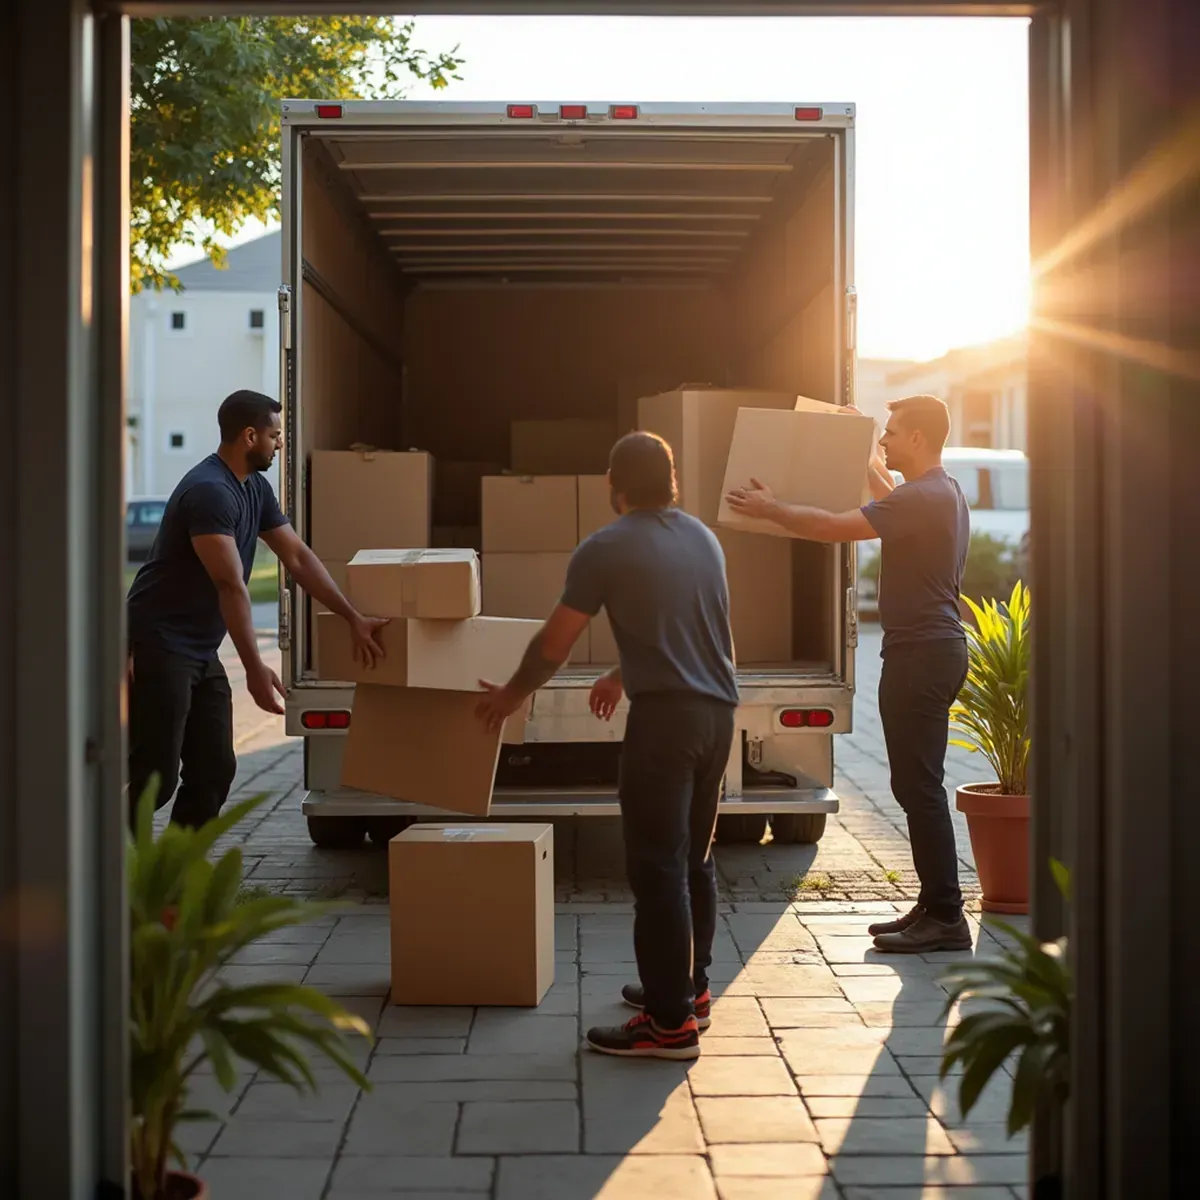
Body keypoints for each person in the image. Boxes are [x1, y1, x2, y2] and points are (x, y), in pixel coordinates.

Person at [476, 432, 738, 1059]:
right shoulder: (702, 538)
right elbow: (696, 627)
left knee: (658, 866)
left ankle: (669, 1025)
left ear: (612, 484)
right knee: (693, 857)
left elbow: (554, 644)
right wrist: (624, 671)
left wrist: (512, 693)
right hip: (718, 715)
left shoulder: (606, 547)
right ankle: (690, 990)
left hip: (666, 724)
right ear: (672, 481)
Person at [725, 394, 971, 953]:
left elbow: (833, 527)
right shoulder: (941, 491)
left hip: (921, 654)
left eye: (891, 433)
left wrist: (771, 508)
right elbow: (886, 497)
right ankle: (935, 903)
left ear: (917, 439)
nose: (884, 440)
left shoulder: (922, 497)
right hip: (933, 650)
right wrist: (860, 450)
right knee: (915, 785)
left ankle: (946, 916)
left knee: (919, 788)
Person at [126, 389, 388, 829]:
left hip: (197, 648)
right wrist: (253, 668)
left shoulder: (254, 488)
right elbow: (230, 585)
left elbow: (297, 557)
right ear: (250, 436)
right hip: (159, 641)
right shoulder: (209, 491)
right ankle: (92, 858)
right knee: (156, 776)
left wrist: (352, 617)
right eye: (275, 435)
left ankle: (175, 865)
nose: (280, 443)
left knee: (214, 770)